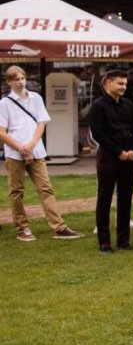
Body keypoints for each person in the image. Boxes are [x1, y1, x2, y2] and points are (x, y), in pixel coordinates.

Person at [0, 66, 82, 242]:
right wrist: (21, 148)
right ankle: (22, 228)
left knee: (46, 188)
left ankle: (58, 227)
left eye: (22, 78)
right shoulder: (4, 103)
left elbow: (41, 124)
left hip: (36, 150)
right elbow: (2, 132)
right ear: (9, 82)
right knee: (16, 191)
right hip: (14, 153)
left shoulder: (35, 98)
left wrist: (30, 145)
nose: (21, 82)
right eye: (16, 79)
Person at [88, 69, 133, 253]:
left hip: (129, 157)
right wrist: (118, 151)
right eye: (120, 83)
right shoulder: (98, 106)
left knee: (125, 198)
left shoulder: (128, 104)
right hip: (108, 156)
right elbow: (98, 134)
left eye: (125, 84)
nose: (124, 87)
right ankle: (104, 242)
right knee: (105, 197)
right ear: (107, 83)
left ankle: (123, 240)